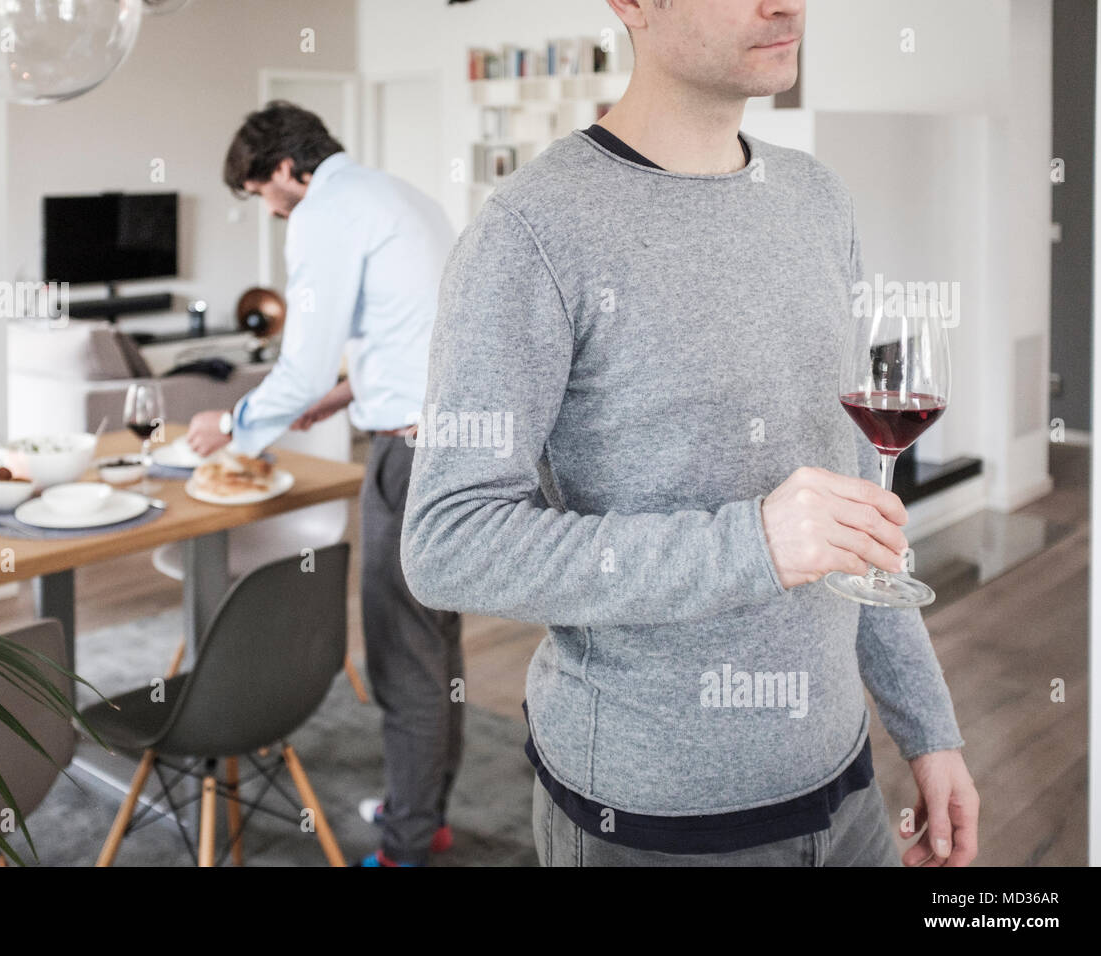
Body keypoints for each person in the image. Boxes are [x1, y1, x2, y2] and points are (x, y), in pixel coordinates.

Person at [400, 0, 979, 866]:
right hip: (652, 826)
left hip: (848, 790)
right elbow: (446, 543)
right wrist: (753, 544)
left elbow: (861, 511)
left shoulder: (817, 197)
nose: (786, 3)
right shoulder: (532, 229)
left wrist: (929, 729)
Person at [186, 101, 463, 867]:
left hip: (405, 455)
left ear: (283, 170)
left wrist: (232, 424)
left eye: (260, 196)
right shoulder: (403, 196)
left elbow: (300, 361)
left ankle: (404, 847)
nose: (269, 212)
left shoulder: (322, 211)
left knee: (399, 653)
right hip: (456, 445)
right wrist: (344, 394)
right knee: (437, 641)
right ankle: (425, 814)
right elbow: (424, 329)